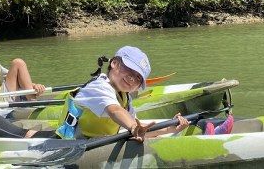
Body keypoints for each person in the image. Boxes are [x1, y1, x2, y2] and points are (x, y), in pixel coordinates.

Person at [56, 46, 192, 141]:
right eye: (129, 70)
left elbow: (138, 127)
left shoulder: (125, 97)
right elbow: (115, 111)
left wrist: (170, 129)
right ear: (114, 63)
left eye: (138, 77)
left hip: (96, 143)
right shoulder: (99, 86)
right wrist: (133, 127)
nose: (132, 79)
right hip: (71, 144)